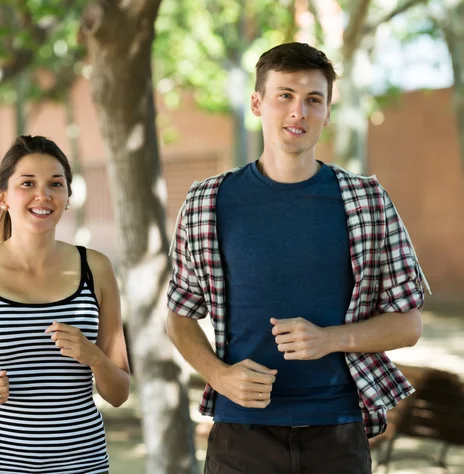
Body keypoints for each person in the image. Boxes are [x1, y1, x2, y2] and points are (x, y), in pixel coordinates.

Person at [166, 42, 430, 474]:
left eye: (313, 100)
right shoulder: (207, 202)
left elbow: (409, 325)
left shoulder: (367, 201)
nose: (298, 112)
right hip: (241, 435)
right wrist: (218, 375)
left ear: (327, 111)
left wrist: (330, 338)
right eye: (284, 95)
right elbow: (179, 316)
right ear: (257, 103)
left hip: (338, 431)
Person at [0, 135, 130, 474]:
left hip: (80, 464)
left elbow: (119, 393)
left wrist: (93, 356)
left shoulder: (98, 269)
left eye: (55, 184)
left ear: (67, 197)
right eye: (27, 183)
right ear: (3, 197)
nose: (42, 195)